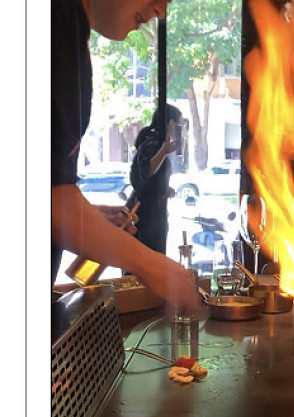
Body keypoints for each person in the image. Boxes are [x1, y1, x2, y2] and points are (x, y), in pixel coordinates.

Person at [51, 0, 203, 317]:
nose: (161, 11)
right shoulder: (55, 23)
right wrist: (149, 264)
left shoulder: (68, 27)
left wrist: (84, 218)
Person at [128, 104, 183, 254]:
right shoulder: (152, 144)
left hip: (152, 212)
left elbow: (152, 179)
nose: (182, 131)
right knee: (148, 256)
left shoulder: (156, 143)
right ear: (171, 123)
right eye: (180, 126)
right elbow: (147, 171)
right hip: (146, 215)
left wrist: (164, 189)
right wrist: (163, 152)